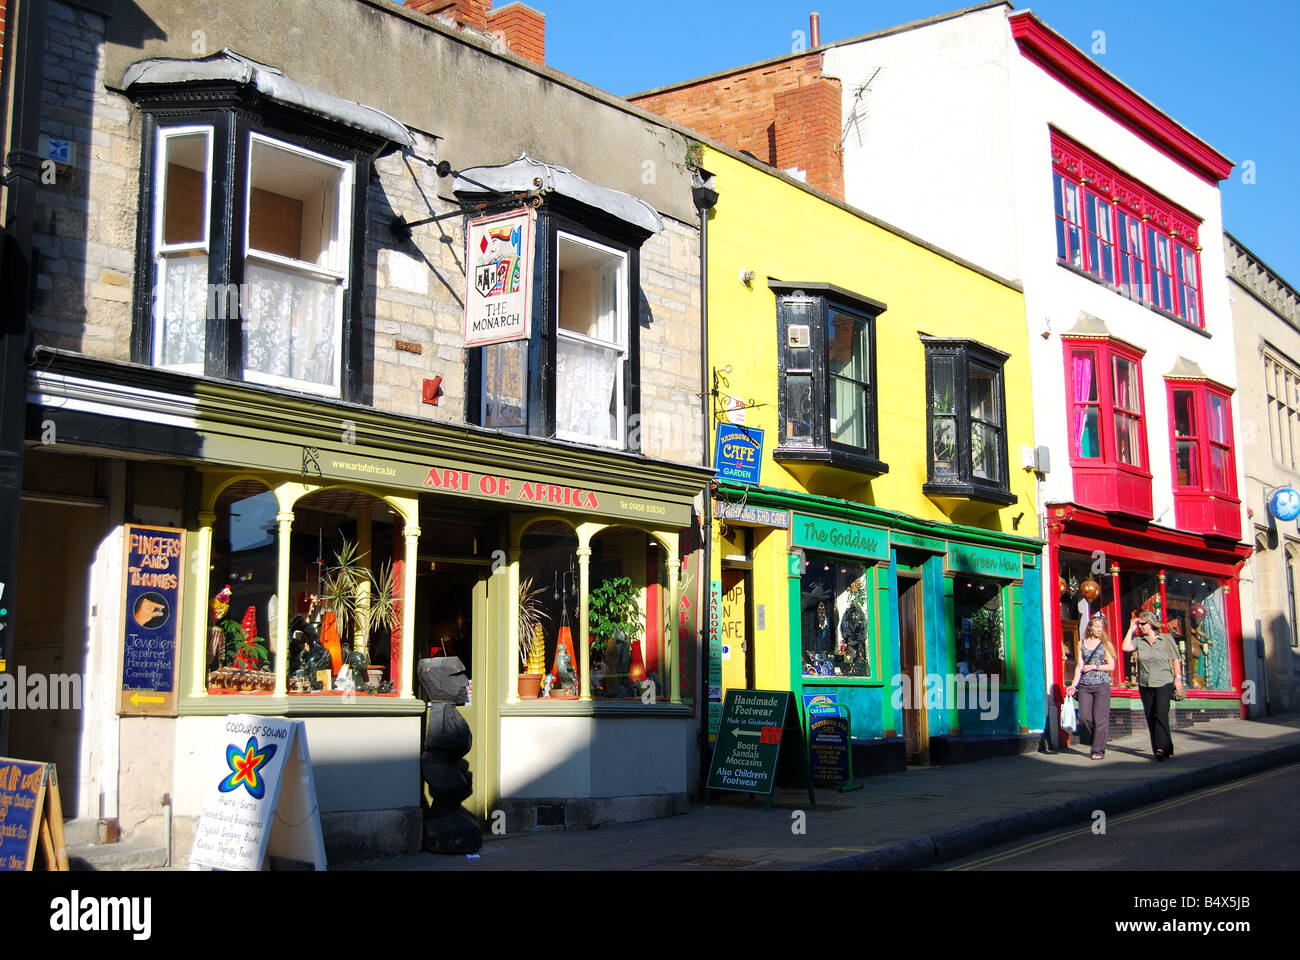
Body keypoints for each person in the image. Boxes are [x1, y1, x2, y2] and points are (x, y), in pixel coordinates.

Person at [1122, 609, 1185, 760]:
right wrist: (1131, 629)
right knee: (1150, 715)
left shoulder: (1166, 639)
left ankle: (1163, 748)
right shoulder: (1139, 641)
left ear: (1150, 624)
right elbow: (1125, 648)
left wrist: (1178, 678)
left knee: (1161, 713)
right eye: (1139, 624)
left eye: (1142, 624)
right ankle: (1160, 748)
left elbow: (1176, 660)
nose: (1140, 626)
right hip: (1145, 683)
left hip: (1164, 682)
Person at [1065, 614, 1115, 759]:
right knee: (1084, 717)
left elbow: (1111, 665)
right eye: (1097, 627)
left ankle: (1097, 750)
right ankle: (1098, 736)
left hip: (1101, 684)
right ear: (1090, 628)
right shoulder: (1081, 643)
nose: (1100, 629)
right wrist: (1074, 685)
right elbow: (1079, 666)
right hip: (1085, 685)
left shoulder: (1105, 644)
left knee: (1100, 719)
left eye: (1101, 627)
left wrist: (1095, 666)